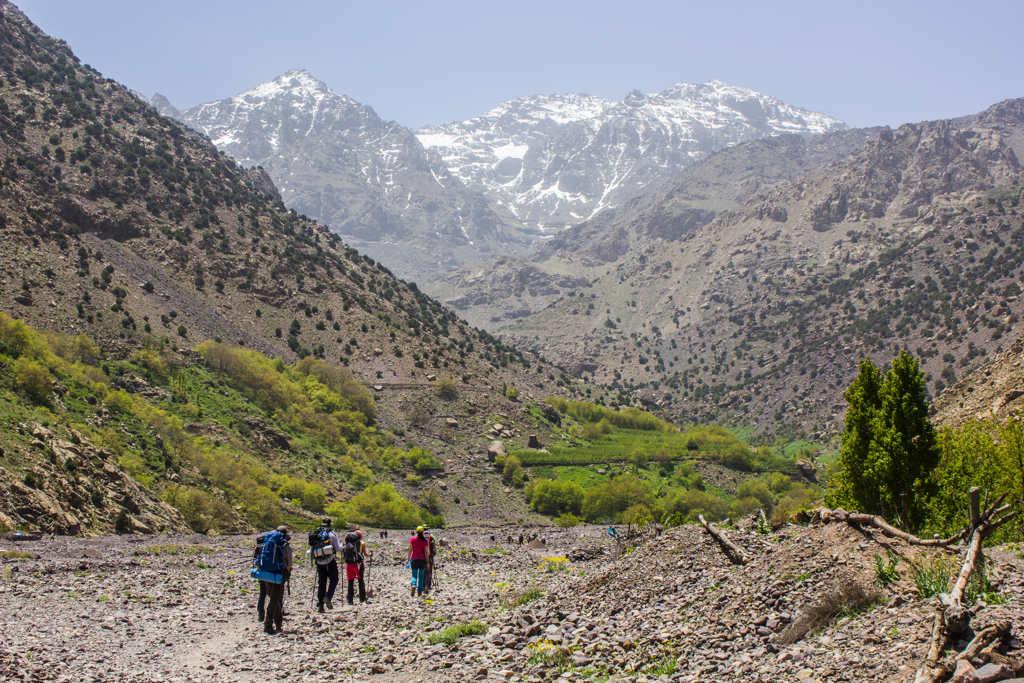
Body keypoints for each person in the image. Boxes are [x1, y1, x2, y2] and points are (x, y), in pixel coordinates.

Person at [262, 526, 293, 635]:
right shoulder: (284, 544)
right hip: (279, 573)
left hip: (266, 573)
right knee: (275, 599)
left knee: (274, 598)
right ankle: (268, 624)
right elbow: (289, 563)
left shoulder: (268, 540)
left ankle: (279, 624)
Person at [312, 518, 342, 613]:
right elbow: (338, 549)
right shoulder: (332, 534)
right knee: (334, 579)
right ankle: (328, 597)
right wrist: (342, 545)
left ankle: (320, 606)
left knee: (322, 582)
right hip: (329, 561)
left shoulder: (316, 534)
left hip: (319, 561)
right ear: (330, 525)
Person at [407, 526, 430, 597]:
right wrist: (428, 562)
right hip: (422, 559)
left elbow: (410, 550)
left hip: (414, 559)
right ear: (423, 532)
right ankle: (419, 591)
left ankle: (413, 585)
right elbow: (426, 552)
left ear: (416, 531)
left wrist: (408, 559)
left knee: (414, 574)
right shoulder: (425, 541)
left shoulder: (413, 539)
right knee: (421, 576)